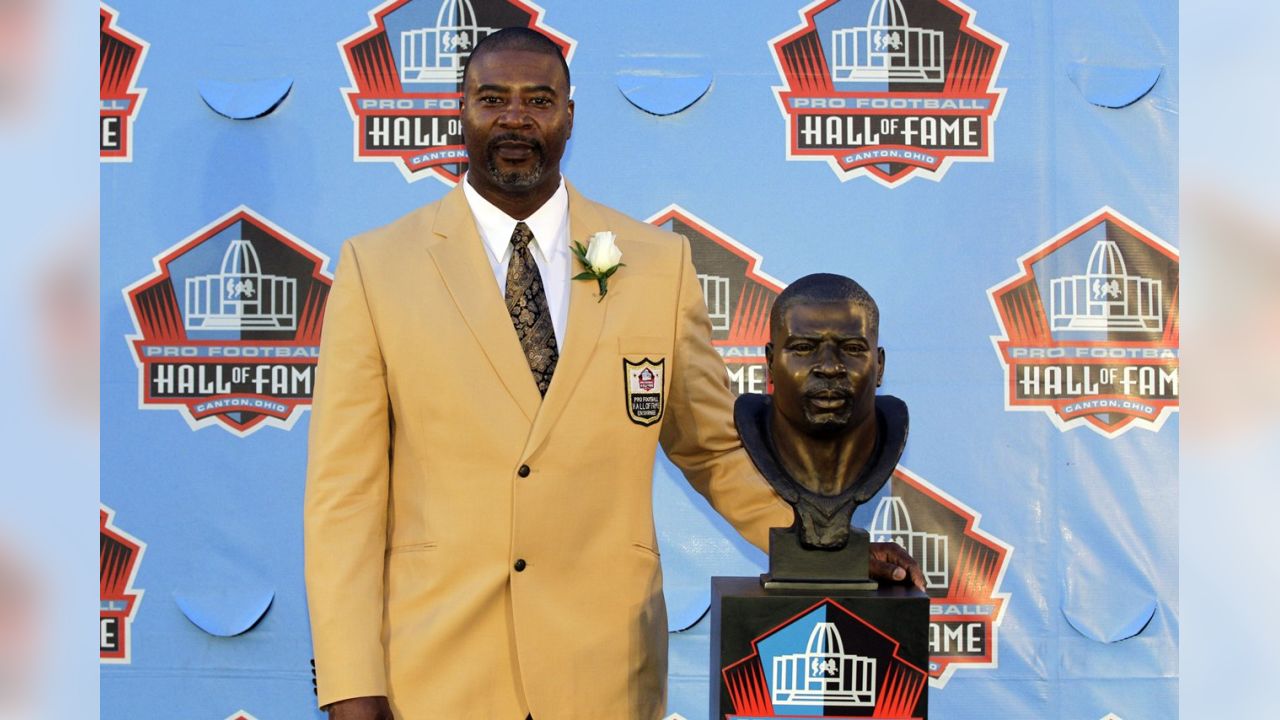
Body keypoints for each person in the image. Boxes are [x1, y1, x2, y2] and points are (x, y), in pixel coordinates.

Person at [304, 28, 918, 720]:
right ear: (460, 110)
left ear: (570, 114)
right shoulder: (377, 267)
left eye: (539, 99)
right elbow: (344, 498)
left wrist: (823, 546)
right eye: (492, 98)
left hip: (605, 674)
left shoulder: (657, 265)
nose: (515, 117)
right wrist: (352, 684)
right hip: (435, 673)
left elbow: (713, 448)